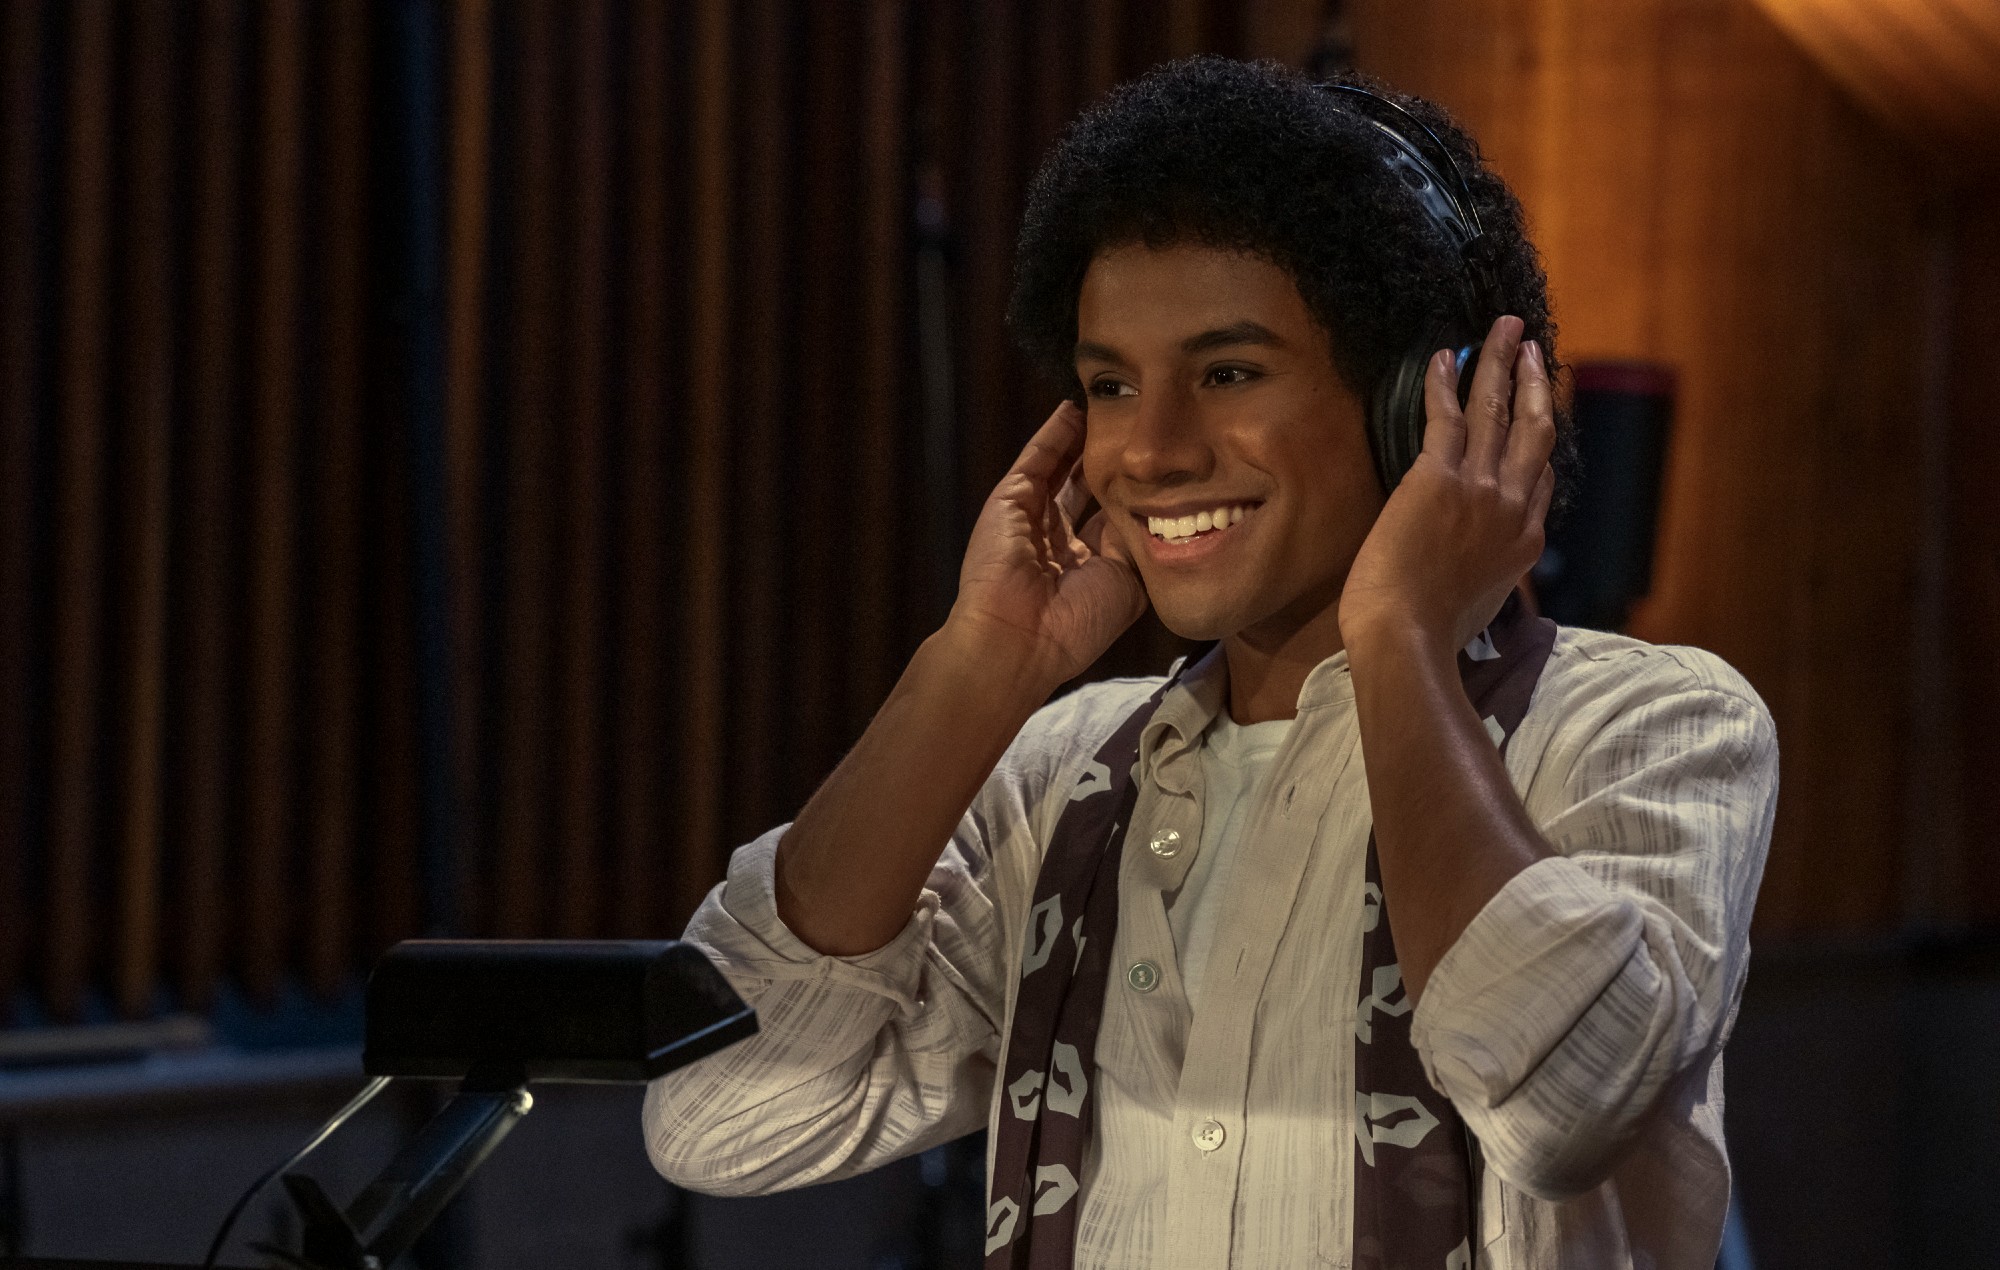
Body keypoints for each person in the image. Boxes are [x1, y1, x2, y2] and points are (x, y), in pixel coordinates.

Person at [644, 57, 1777, 1270]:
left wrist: (1398, 633)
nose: (1151, 449)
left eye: (1226, 372)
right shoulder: (1064, 775)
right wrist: (977, 665)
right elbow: (716, 1111)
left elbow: (1564, 1103)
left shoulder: (1648, 723)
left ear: (1423, 403)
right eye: (1109, 385)